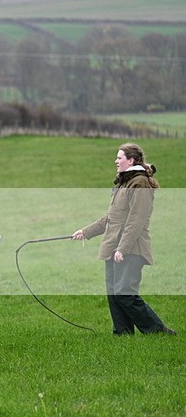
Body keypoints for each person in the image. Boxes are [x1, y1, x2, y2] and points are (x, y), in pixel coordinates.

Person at [72, 143, 176, 336]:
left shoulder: (140, 183)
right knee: (114, 294)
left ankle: (159, 331)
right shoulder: (123, 182)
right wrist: (85, 232)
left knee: (125, 293)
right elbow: (112, 218)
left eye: (119, 158)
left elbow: (137, 219)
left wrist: (123, 248)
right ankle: (123, 334)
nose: (115, 161)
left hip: (131, 248)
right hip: (114, 246)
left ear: (131, 160)